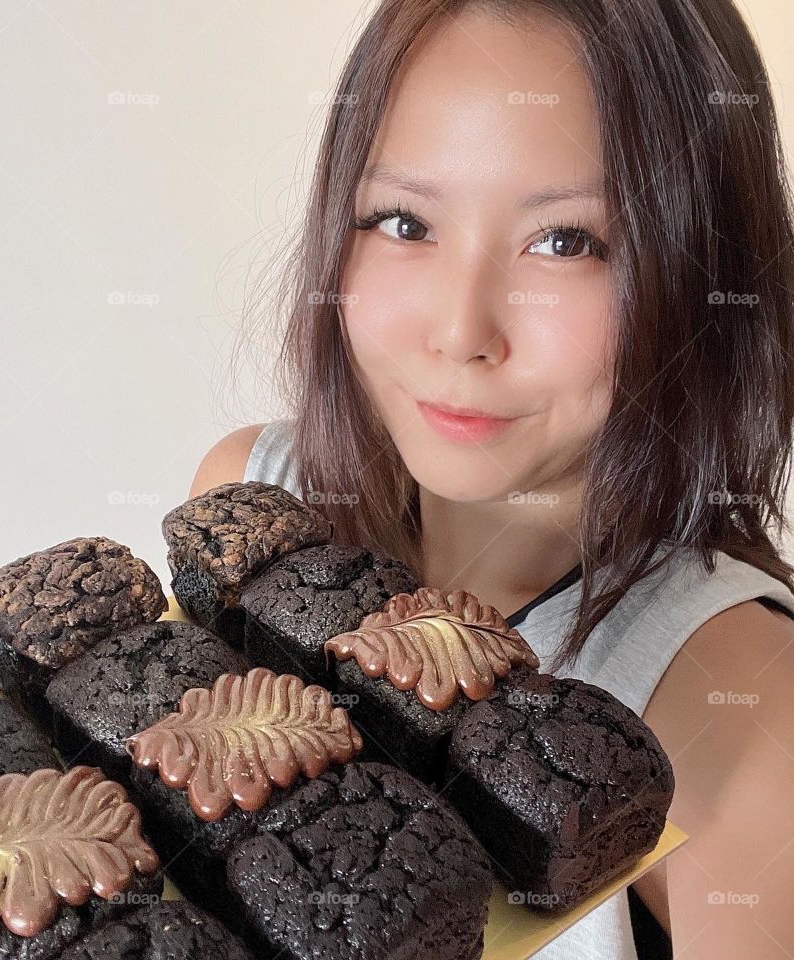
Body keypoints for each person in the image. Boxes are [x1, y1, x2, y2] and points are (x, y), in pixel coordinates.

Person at [189, 1, 794, 956]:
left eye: (567, 242)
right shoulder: (251, 504)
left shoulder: (743, 713)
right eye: (403, 221)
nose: (461, 331)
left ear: (705, 262)